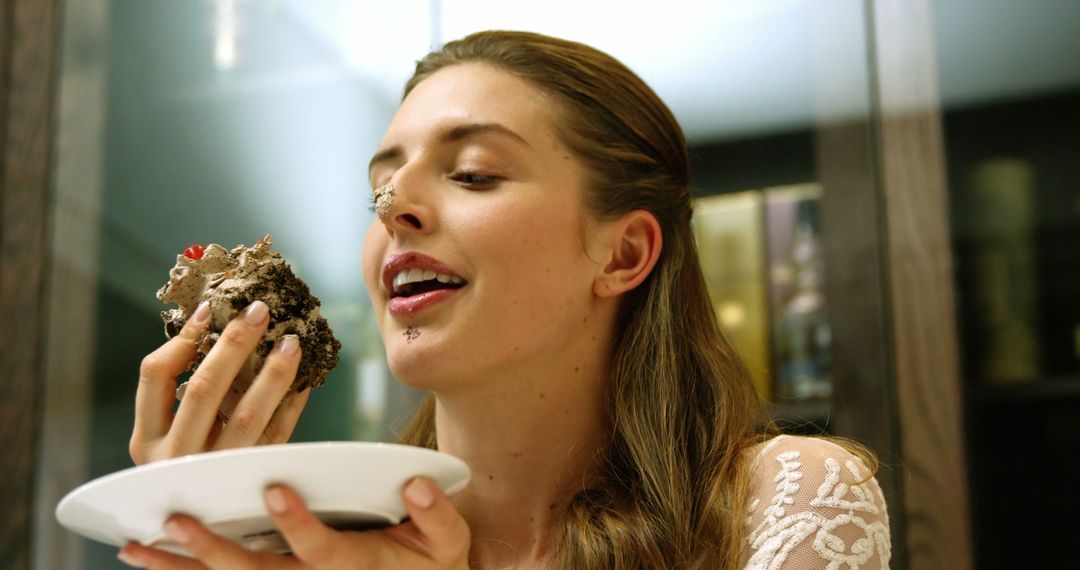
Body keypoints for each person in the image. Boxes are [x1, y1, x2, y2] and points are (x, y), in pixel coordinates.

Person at [120, 31, 891, 570]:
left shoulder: (784, 499)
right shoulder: (314, 543)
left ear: (624, 254)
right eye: (379, 191)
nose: (394, 209)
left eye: (475, 173)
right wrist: (211, 527)